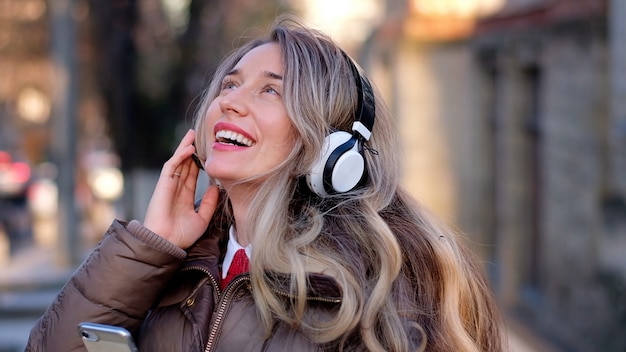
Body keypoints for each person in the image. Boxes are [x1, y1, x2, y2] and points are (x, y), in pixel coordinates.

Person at [27, 15, 505, 352]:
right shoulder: (176, 265)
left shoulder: (384, 279)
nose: (231, 102)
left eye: (270, 90)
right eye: (230, 85)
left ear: (330, 147)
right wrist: (149, 248)